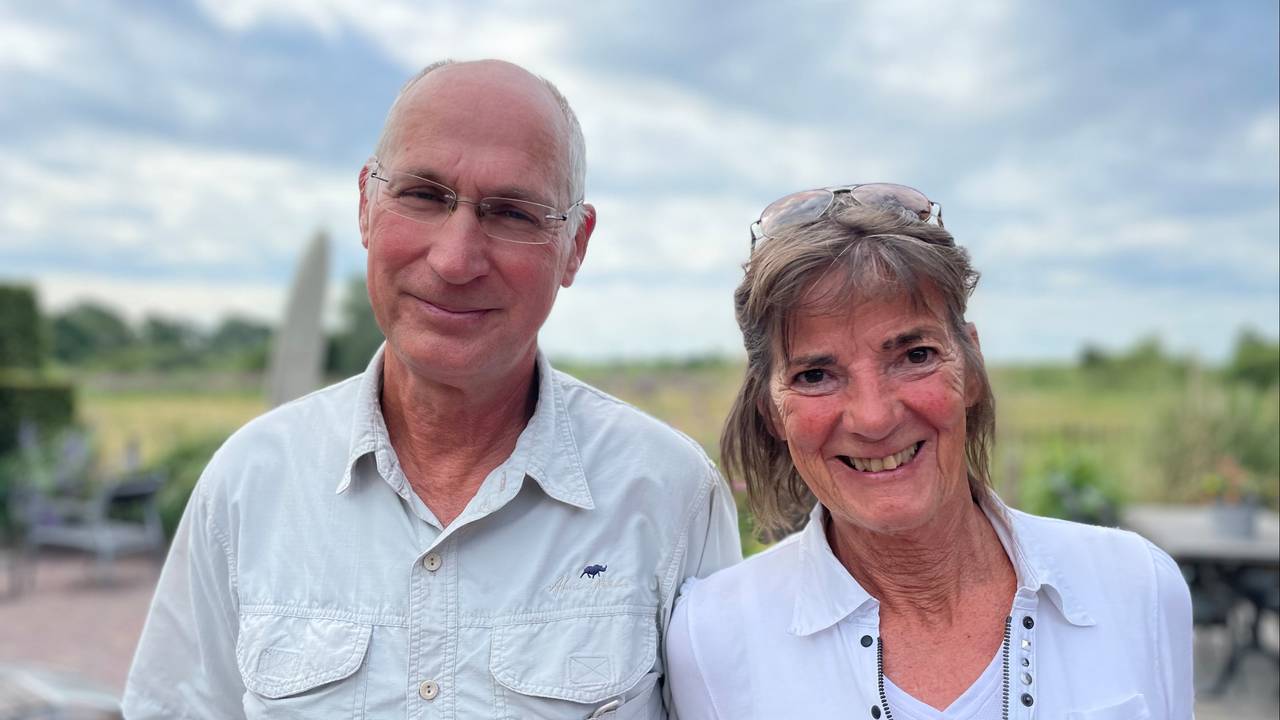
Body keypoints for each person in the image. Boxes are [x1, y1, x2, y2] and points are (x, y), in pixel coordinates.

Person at [123, 59, 741, 719]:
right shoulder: (252, 482)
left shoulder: (668, 494)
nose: (454, 259)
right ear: (366, 204)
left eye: (512, 212)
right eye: (423, 195)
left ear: (575, 246)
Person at [666, 185, 1193, 719]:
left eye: (915, 355)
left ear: (970, 368)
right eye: (816, 375)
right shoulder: (711, 639)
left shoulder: (1137, 586)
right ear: (772, 410)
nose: (874, 418)